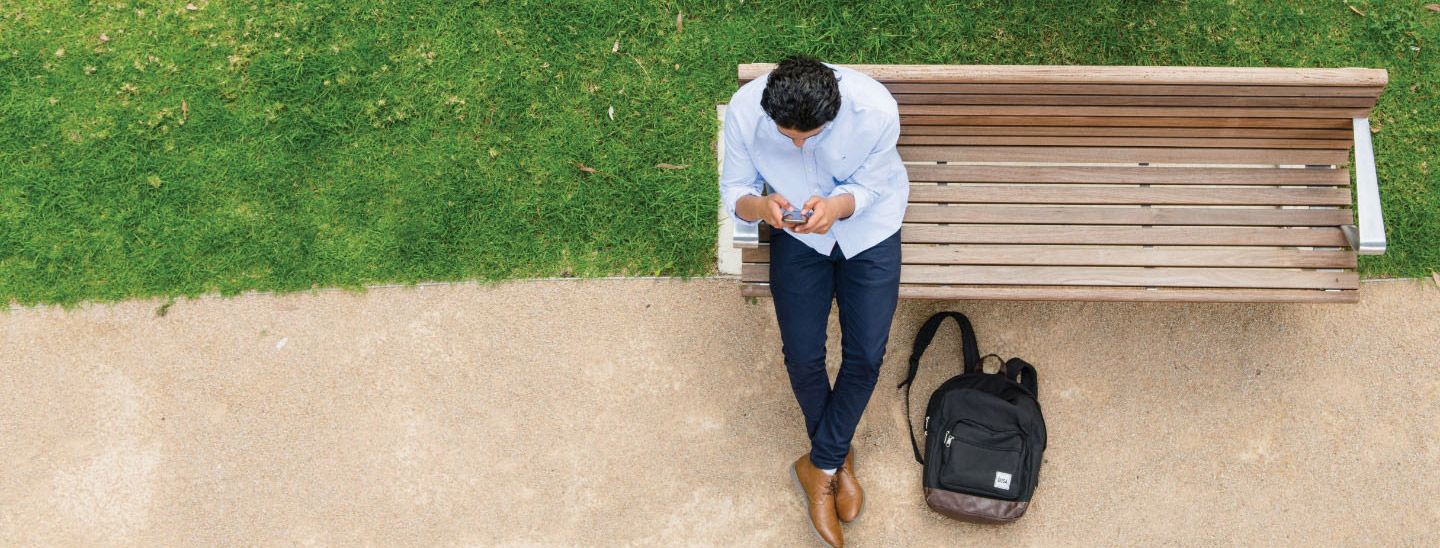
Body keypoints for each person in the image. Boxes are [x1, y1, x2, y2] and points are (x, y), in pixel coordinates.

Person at [719, 56, 908, 547]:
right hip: (797, 234)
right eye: (788, 137)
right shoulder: (746, 111)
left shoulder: (875, 109)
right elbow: (736, 190)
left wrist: (838, 206)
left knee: (866, 355)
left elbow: (875, 186)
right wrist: (761, 206)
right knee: (802, 355)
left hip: (870, 229)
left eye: (812, 135)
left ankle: (819, 465)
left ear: (834, 110)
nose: (799, 145)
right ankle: (835, 458)